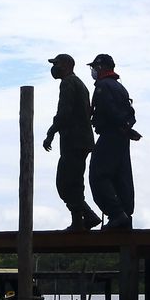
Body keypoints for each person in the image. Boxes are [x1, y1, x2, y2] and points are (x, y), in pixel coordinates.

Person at [43, 54, 100, 231]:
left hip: (74, 141)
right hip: (81, 140)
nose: (54, 67)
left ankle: (84, 219)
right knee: (74, 181)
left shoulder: (68, 83)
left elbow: (64, 112)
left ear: (67, 65)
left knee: (65, 183)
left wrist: (51, 132)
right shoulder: (80, 84)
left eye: (56, 63)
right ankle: (83, 219)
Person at [87, 53, 138, 230]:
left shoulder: (103, 86)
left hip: (110, 134)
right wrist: (127, 128)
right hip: (121, 136)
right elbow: (130, 114)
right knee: (121, 176)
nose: (93, 71)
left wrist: (119, 126)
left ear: (101, 67)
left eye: (95, 67)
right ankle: (125, 216)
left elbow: (109, 111)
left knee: (98, 175)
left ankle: (116, 214)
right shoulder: (119, 87)